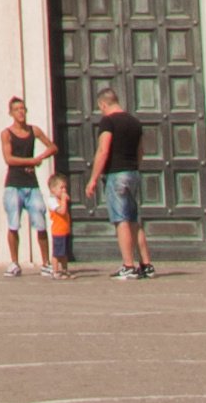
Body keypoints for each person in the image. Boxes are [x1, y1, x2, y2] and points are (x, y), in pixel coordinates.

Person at [83, 83, 149, 278]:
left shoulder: (108, 122)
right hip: (132, 172)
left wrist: (93, 178)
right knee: (134, 220)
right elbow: (140, 151)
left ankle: (128, 266)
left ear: (103, 104)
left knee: (121, 220)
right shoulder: (135, 122)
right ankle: (146, 264)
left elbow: (103, 150)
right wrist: (134, 167)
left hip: (116, 174)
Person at [0, 98, 52, 278]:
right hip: (13, 184)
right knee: (13, 224)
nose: (20, 112)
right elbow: (9, 159)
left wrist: (41, 157)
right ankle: (14, 262)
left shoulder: (33, 130)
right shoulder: (7, 134)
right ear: (11, 113)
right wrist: (31, 161)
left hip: (31, 184)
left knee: (40, 222)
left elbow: (52, 147)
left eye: (22, 109)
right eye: (16, 109)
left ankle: (46, 263)